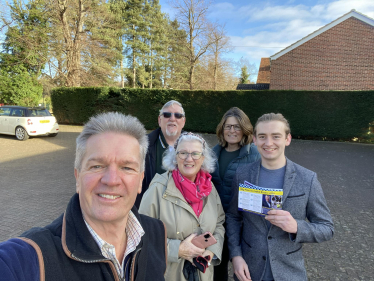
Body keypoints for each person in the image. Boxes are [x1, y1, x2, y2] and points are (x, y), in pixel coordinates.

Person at [0, 112, 167, 281]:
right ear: (77, 177)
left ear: (140, 181)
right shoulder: (29, 257)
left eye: (127, 168)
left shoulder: (156, 234)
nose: (111, 180)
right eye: (97, 166)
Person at [226, 113, 334, 281]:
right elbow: (233, 217)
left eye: (276, 136)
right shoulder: (242, 175)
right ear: (254, 139)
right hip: (249, 271)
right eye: (262, 136)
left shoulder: (307, 179)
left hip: (289, 273)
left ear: (287, 139)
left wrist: (296, 226)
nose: (268, 143)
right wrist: (236, 256)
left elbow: (327, 228)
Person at [139, 132, 225, 281]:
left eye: (195, 153)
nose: (189, 158)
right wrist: (177, 250)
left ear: (203, 158)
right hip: (168, 274)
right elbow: (141, 233)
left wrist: (211, 251)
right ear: (175, 157)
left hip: (202, 275)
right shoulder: (158, 188)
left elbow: (219, 223)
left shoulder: (209, 188)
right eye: (183, 152)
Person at [211, 107, 260, 281]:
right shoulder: (212, 153)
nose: (232, 131)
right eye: (228, 126)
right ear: (222, 129)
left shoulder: (254, 154)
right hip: (217, 222)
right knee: (218, 267)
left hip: (243, 223)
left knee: (245, 270)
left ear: (245, 129)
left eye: (237, 127)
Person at [135, 100, 186, 208]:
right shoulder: (141, 146)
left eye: (178, 115)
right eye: (167, 114)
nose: (172, 118)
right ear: (159, 120)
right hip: (150, 209)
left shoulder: (195, 147)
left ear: (183, 121)